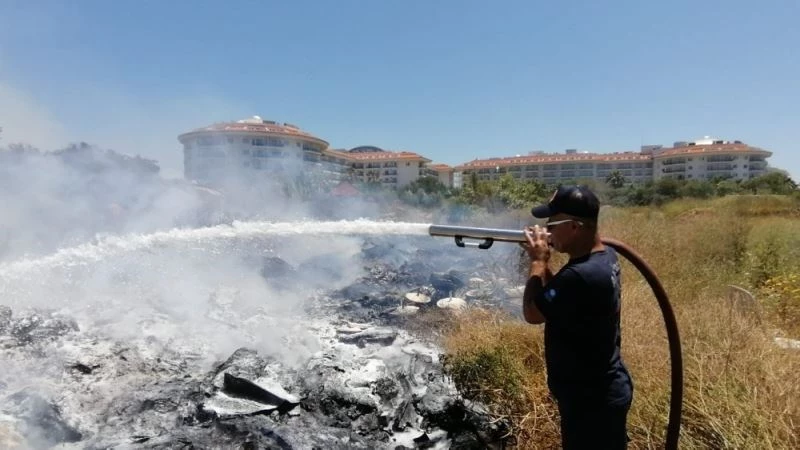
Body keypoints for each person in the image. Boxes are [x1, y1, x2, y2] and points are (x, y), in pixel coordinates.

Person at [520, 184, 633, 449]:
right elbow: (561, 295)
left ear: (574, 226)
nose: (546, 231)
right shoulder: (602, 257)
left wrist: (537, 263)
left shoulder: (582, 275)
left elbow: (532, 313)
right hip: (598, 392)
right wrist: (544, 265)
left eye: (552, 224)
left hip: (591, 401)